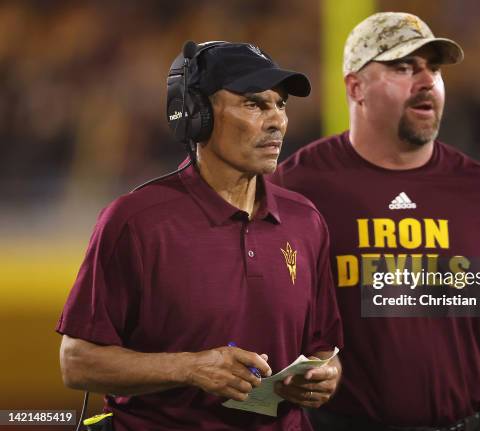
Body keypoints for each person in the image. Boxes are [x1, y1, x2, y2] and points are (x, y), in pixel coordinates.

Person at [270, 12, 480, 431]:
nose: (426, 80)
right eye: (403, 67)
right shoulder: (295, 188)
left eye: (433, 68)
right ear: (355, 87)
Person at [57, 41, 343, 431]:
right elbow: (77, 362)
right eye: (254, 104)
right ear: (196, 114)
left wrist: (323, 376)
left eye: (281, 104)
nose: (277, 120)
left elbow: (323, 347)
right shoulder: (136, 221)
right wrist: (190, 368)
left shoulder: (305, 220)